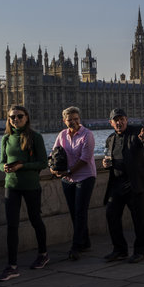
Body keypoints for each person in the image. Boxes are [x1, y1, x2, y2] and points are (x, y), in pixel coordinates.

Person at [0, 105, 48, 281]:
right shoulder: (6, 138)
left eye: (19, 116)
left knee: (36, 220)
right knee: (12, 226)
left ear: (26, 118)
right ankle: (11, 266)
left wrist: (22, 166)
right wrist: (3, 167)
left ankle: (43, 253)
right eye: (12, 117)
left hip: (31, 186)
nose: (15, 120)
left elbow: (43, 163)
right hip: (11, 186)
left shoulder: (36, 137)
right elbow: (1, 161)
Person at [102, 108, 144, 263]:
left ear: (126, 119)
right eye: (116, 120)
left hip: (135, 183)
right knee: (111, 215)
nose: (119, 122)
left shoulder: (137, 132)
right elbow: (108, 158)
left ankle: (140, 251)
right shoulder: (110, 139)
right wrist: (106, 164)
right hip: (116, 184)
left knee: (139, 219)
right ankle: (120, 250)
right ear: (111, 123)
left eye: (122, 119)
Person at [51, 106, 96, 261]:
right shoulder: (62, 135)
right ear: (65, 121)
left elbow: (85, 159)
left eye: (76, 119)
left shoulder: (87, 135)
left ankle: (76, 247)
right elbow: (54, 154)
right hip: (67, 180)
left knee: (80, 211)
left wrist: (68, 171)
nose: (74, 122)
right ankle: (85, 241)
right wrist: (53, 169)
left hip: (85, 177)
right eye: (70, 120)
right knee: (74, 212)